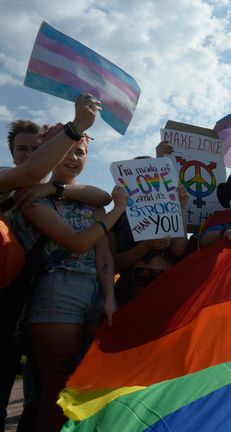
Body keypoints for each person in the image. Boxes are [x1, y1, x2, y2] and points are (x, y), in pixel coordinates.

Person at [1, 96, 107, 428]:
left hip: (42, 301)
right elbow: (31, 173)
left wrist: (57, 190)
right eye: (23, 149)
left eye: (39, 148)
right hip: (29, 301)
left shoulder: (51, 191)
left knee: (57, 387)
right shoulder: (17, 188)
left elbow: (99, 196)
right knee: (48, 389)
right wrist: (78, 126)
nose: (31, 156)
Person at [19, 128, 127, 432]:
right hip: (56, 291)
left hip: (93, 293)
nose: (73, 157)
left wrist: (108, 297)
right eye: (66, 150)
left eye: (80, 152)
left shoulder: (91, 202)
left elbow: (103, 255)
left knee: (89, 383)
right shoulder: (30, 196)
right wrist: (117, 210)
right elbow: (78, 243)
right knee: (57, 387)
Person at [108, 146, 190, 306]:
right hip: (133, 287)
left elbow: (179, 249)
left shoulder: (170, 211)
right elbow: (111, 265)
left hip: (167, 285)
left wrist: (182, 208)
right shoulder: (116, 217)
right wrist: (146, 246)